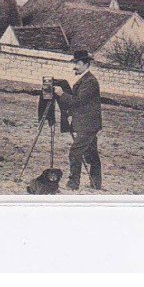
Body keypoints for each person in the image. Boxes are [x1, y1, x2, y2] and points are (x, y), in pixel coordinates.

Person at [54, 50, 102, 191]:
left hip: (88, 125)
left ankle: (73, 183)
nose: (75, 66)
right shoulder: (84, 79)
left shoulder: (90, 81)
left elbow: (78, 101)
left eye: (77, 63)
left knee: (75, 152)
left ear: (86, 64)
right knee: (92, 154)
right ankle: (96, 183)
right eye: (75, 63)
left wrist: (62, 94)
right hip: (87, 124)